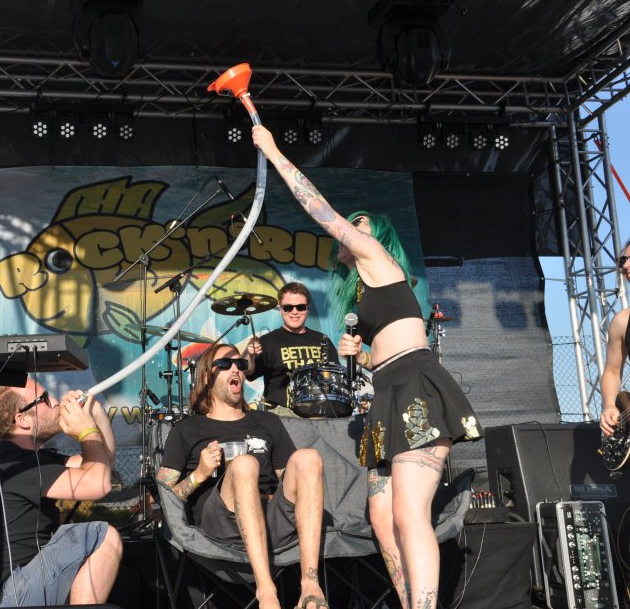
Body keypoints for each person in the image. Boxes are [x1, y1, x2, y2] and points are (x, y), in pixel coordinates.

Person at [253, 125, 483, 609]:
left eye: (360, 224)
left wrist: (273, 152)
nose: (351, 229)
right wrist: (359, 355)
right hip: (386, 395)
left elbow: (319, 209)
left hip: (414, 388)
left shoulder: (377, 257)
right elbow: (378, 357)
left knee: (409, 514)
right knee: (381, 514)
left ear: (375, 237)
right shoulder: (365, 291)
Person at [156, 343, 327, 609]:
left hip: (270, 521)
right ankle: (266, 591)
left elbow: (292, 478)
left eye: (241, 364)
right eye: (225, 364)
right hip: (221, 526)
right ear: (206, 376)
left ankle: (310, 585)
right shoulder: (186, 430)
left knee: (308, 458)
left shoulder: (267, 422)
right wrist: (199, 474)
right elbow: (166, 498)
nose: (235, 368)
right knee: (245, 464)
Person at [0, 377, 122, 607]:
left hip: (5, 593)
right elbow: (98, 484)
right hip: (3, 599)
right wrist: (86, 431)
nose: (55, 402)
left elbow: (103, 464)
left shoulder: (17, 461)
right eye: (44, 399)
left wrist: (96, 413)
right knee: (104, 536)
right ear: (22, 419)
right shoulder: (17, 466)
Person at [243, 281, 340, 414]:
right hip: (281, 415)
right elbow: (248, 372)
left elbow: (336, 378)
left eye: (300, 307)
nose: (294, 312)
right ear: (280, 309)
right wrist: (250, 355)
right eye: (288, 307)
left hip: (320, 413)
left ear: (307, 308)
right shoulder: (267, 341)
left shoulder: (323, 340)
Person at [601, 240, 630, 437]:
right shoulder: (622, 321)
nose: (625, 265)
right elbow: (612, 371)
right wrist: (610, 404)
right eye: (623, 260)